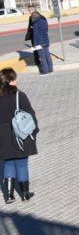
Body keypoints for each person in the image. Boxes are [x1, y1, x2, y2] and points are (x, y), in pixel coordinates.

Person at [0, 68, 38, 203]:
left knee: (8, 163)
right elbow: (31, 115)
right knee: (22, 164)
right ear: (9, 81)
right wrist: (34, 132)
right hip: (19, 134)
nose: (17, 81)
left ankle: (9, 195)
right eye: (14, 79)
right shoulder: (19, 95)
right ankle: (25, 193)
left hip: (3, 137)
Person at [24, 6, 53, 75]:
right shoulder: (43, 18)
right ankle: (50, 69)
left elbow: (36, 34)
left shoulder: (35, 21)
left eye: (29, 11)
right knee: (47, 54)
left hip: (39, 41)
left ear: (33, 12)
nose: (29, 13)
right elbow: (46, 29)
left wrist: (35, 45)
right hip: (46, 39)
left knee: (42, 56)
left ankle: (45, 71)